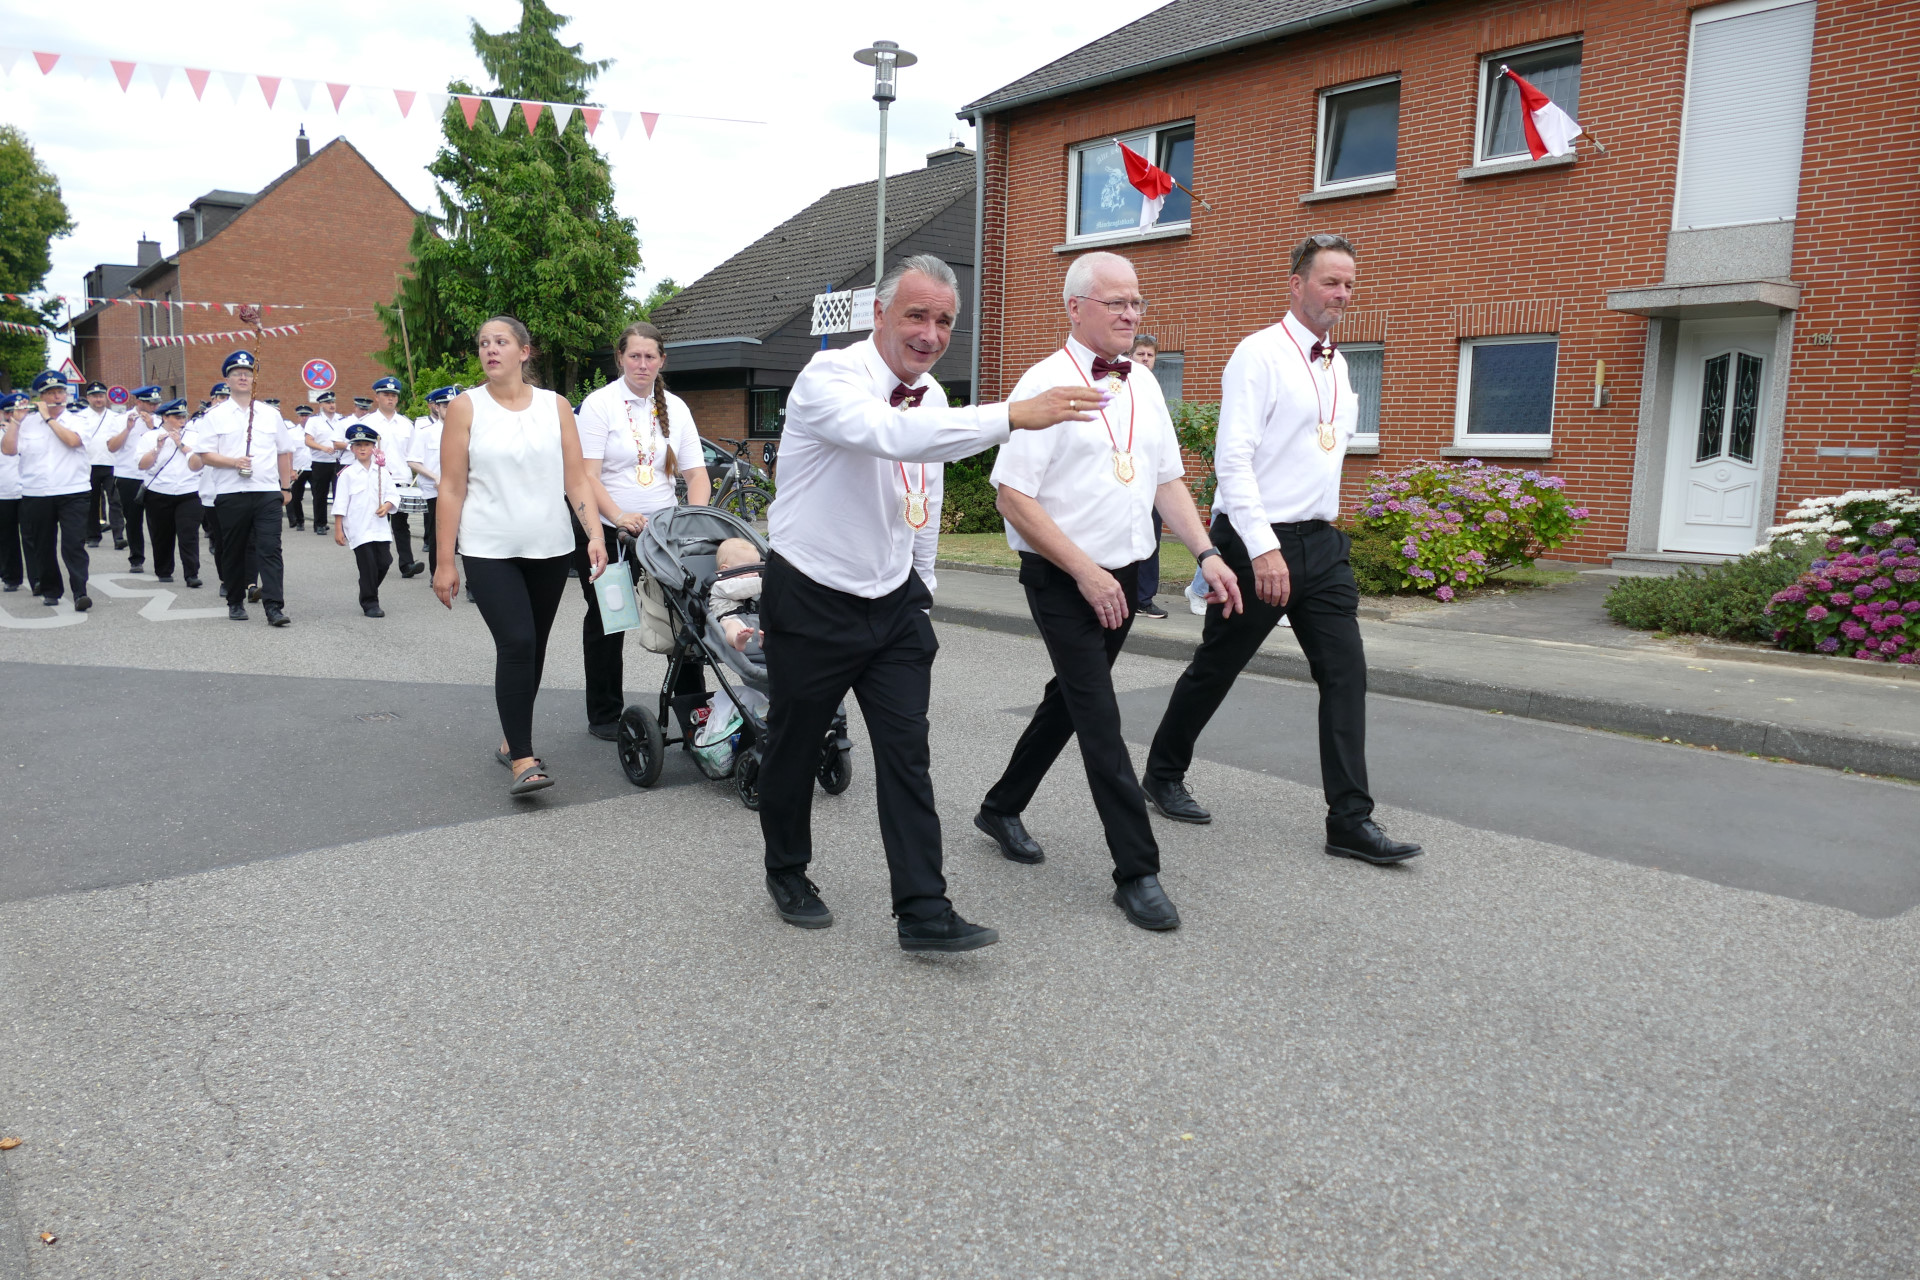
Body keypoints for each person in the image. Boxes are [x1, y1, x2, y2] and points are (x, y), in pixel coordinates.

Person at [756, 252, 1100, 952]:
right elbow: (889, 436)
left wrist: (923, 588)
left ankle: (923, 909)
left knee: (907, 755)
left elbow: (927, 495)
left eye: (945, 321)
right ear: (881, 314)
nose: (931, 334)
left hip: (894, 606)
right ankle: (786, 870)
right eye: (917, 315)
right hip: (813, 594)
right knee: (795, 746)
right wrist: (1012, 415)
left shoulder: (934, 397)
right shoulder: (829, 377)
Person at [977, 252, 1241, 932]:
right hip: (1065, 577)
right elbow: (1013, 497)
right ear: (1075, 308)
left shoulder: (1143, 383)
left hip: (1122, 576)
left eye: (1136, 302)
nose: (1130, 313)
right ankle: (1137, 871)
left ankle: (1000, 807)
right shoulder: (1044, 383)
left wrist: (1207, 552)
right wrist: (1085, 573)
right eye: (1115, 302)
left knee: (1070, 700)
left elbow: (1164, 480)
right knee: (1099, 717)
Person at [1144, 233, 1421, 865]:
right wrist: (1264, 548)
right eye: (1330, 282)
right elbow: (1232, 459)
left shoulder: (1339, 365)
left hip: (1322, 545)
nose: (1342, 294)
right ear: (1297, 285)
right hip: (1256, 542)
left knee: (1346, 673)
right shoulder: (1259, 354)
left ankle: (1350, 821)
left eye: (1349, 284)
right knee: (1219, 665)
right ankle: (1162, 773)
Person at [431, 315, 607, 796]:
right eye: (483, 343)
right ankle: (524, 760)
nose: (490, 349)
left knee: (535, 646)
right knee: (517, 643)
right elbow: (451, 487)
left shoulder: (556, 406)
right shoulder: (465, 407)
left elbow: (576, 478)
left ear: (524, 352)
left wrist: (594, 534)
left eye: (501, 341)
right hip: (488, 548)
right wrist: (445, 561)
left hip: (550, 546)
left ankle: (513, 736)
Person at [573, 320, 712, 738]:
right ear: (620, 358)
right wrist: (618, 516)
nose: (642, 363)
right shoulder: (599, 404)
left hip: (664, 534)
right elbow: (587, 476)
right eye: (634, 355)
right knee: (609, 618)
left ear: (661, 360)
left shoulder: (677, 408)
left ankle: (694, 713)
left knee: (683, 617)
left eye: (650, 356)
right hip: (607, 531)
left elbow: (697, 475)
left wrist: (694, 520)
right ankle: (604, 714)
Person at [185, 350, 294, 626]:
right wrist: (233, 462)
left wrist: (285, 487)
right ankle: (235, 601)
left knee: (270, 549)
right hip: (231, 493)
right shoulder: (215, 415)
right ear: (228, 380)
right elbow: (205, 454)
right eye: (237, 374)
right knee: (233, 549)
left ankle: (274, 606)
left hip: (266, 492)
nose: (243, 377)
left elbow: (284, 451)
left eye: (248, 373)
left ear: (254, 379)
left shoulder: (270, 414)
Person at [4, 372, 94, 610]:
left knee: (73, 544)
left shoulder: (77, 419)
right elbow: (9, 450)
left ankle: (80, 592)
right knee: (43, 545)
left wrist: (48, 419)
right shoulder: (27, 423)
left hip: (73, 491)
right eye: (51, 393)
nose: (57, 397)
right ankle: (51, 590)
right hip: (37, 492)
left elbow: (73, 441)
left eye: (60, 392)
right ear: (41, 398)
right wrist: (15, 422)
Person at [333, 422, 411, 617]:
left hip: (379, 527)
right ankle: (370, 603)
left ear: (373, 448)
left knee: (384, 562)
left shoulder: (382, 472)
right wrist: (338, 529)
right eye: (358, 445)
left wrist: (387, 505)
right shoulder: (347, 474)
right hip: (358, 527)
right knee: (367, 564)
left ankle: (366, 587)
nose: (362, 448)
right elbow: (340, 503)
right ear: (352, 448)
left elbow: (393, 495)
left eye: (366, 445)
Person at [1123, 335, 1172, 621]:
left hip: (1150, 478)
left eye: (1150, 355)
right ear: (1130, 356)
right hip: (1125, 475)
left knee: (1151, 537)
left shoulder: (1153, 389)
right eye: (1140, 354)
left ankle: (1143, 599)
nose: (1145, 359)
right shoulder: (1121, 384)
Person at [135, 399, 204, 586]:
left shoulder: (195, 436)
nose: (182, 420)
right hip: (159, 491)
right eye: (177, 417)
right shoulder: (149, 437)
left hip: (189, 490)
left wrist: (180, 443)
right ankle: (164, 570)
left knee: (188, 534)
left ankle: (191, 574)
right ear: (165, 417)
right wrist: (157, 448)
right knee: (162, 534)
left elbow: (199, 463)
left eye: (184, 417)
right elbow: (142, 465)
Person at [361, 376, 423, 577]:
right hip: (376, 480)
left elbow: (413, 454)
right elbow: (360, 453)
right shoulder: (367, 423)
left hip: (401, 480)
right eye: (386, 395)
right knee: (378, 522)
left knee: (401, 524)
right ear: (377, 397)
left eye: (394, 396)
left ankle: (407, 564)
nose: (390, 399)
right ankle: (378, 562)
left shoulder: (406, 424)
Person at [109, 386, 161, 572]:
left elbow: (167, 445)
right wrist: (127, 429)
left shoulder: (160, 420)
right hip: (129, 475)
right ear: (139, 402)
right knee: (133, 520)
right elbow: (112, 447)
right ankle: (136, 559)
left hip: (154, 476)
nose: (154, 407)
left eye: (156, 403)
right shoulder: (121, 419)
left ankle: (161, 562)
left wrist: (152, 427)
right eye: (150, 403)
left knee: (157, 522)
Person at [407, 385, 455, 577]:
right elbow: (413, 461)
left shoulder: (468, 431)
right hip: (436, 491)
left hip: (462, 490)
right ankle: (437, 573)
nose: (450, 410)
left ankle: (471, 583)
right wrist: (435, 477)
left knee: (467, 535)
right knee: (438, 534)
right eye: (446, 406)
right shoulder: (426, 432)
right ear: (437, 408)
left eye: (453, 406)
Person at [74, 381, 126, 550]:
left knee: (115, 501)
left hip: (112, 463)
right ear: (88, 398)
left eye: (101, 396)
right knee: (92, 502)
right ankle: (93, 535)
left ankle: (118, 536)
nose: (98, 399)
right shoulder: (80, 417)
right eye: (95, 396)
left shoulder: (115, 417)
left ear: (106, 397)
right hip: (89, 464)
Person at [305, 390, 344, 534]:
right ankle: (320, 524)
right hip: (320, 461)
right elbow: (308, 440)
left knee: (340, 494)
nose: (331, 405)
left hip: (338, 461)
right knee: (320, 494)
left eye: (333, 402)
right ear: (321, 405)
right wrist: (323, 448)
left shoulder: (341, 419)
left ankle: (341, 525)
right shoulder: (314, 421)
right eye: (328, 403)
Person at [0, 392, 26, 592]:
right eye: (8, 412)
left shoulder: (31, 431)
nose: (12, 416)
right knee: (7, 537)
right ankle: (11, 577)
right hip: (4, 491)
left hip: (30, 490)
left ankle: (38, 578)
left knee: (34, 537)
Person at [286, 404, 315, 530]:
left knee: (318, 497)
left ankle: (319, 523)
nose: (304, 418)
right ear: (298, 417)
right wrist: (291, 470)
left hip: (314, 467)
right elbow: (289, 453)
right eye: (302, 416)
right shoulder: (291, 433)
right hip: (298, 469)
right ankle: (299, 521)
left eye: (306, 415)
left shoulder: (315, 431)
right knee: (296, 497)